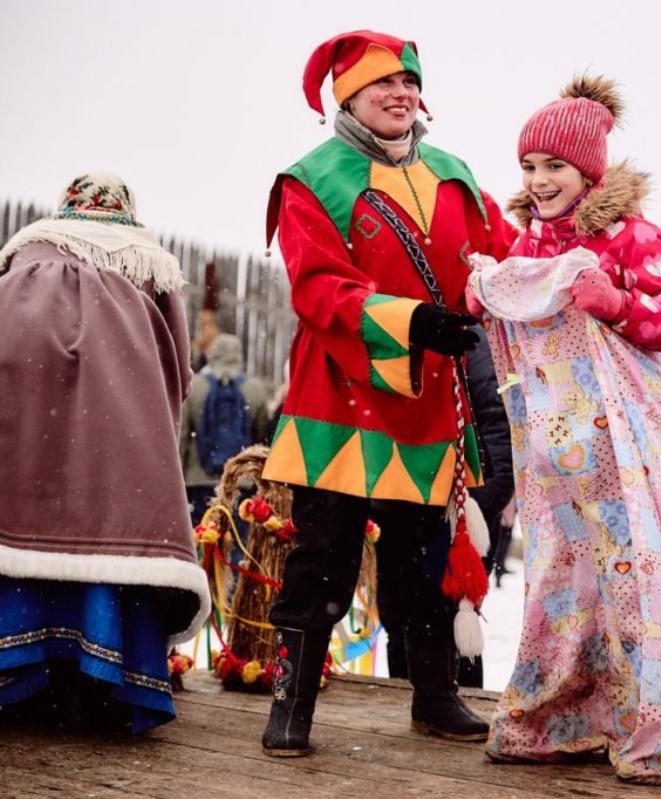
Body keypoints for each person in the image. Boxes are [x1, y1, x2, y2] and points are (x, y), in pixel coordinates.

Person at [258, 30, 513, 757]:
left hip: (428, 401)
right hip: (337, 396)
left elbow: (495, 260)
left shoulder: (454, 175)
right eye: (382, 84)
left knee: (425, 559)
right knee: (322, 559)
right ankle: (291, 705)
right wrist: (413, 319)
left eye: (408, 81)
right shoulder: (312, 179)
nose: (400, 94)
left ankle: (436, 697)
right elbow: (317, 289)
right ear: (349, 95)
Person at [469, 75, 661, 784]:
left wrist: (616, 301)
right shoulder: (528, 244)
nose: (540, 181)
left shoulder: (633, 236)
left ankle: (654, 724)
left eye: (555, 167)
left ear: (589, 171)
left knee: (638, 578)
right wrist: (488, 295)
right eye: (530, 168)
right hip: (562, 452)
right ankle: (561, 716)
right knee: (566, 582)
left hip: (629, 449)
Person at [0, 172, 210, 733]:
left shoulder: (23, 255)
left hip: (24, 441)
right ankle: (98, 678)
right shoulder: (149, 262)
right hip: (117, 440)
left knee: (21, 544)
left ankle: (20, 671)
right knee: (110, 547)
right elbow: (180, 374)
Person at [379, 324, 514, 690]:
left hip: (459, 509)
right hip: (404, 500)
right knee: (398, 614)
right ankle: (406, 698)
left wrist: (478, 501)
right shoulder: (404, 326)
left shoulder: (474, 343)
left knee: (451, 614)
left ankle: (460, 698)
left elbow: (500, 430)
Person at [179, 332, 273, 526]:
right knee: (237, 541)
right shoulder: (255, 389)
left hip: (198, 481)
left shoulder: (194, 387)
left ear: (213, 354)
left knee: (202, 538)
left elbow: (182, 438)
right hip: (241, 482)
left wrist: (177, 476)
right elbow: (262, 438)